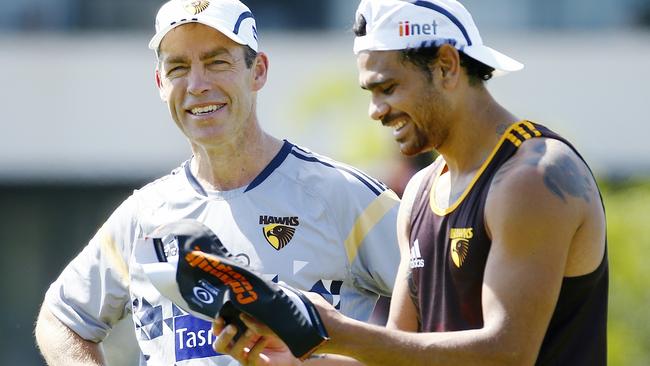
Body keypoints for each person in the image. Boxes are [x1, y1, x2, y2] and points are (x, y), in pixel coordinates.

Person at [212, 0, 608, 365]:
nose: (375, 111)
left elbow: (507, 354)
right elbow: (399, 353)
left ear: (447, 66)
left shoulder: (533, 177)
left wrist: (337, 332)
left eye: (388, 88)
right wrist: (295, 359)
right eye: (370, 92)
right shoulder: (421, 190)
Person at [33, 0, 401, 365]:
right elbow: (61, 319)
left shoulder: (344, 196)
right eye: (178, 67)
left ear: (258, 71)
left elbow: (440, 325)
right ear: (161, 83)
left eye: (217, 62)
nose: (197, 84)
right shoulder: (142, 216)